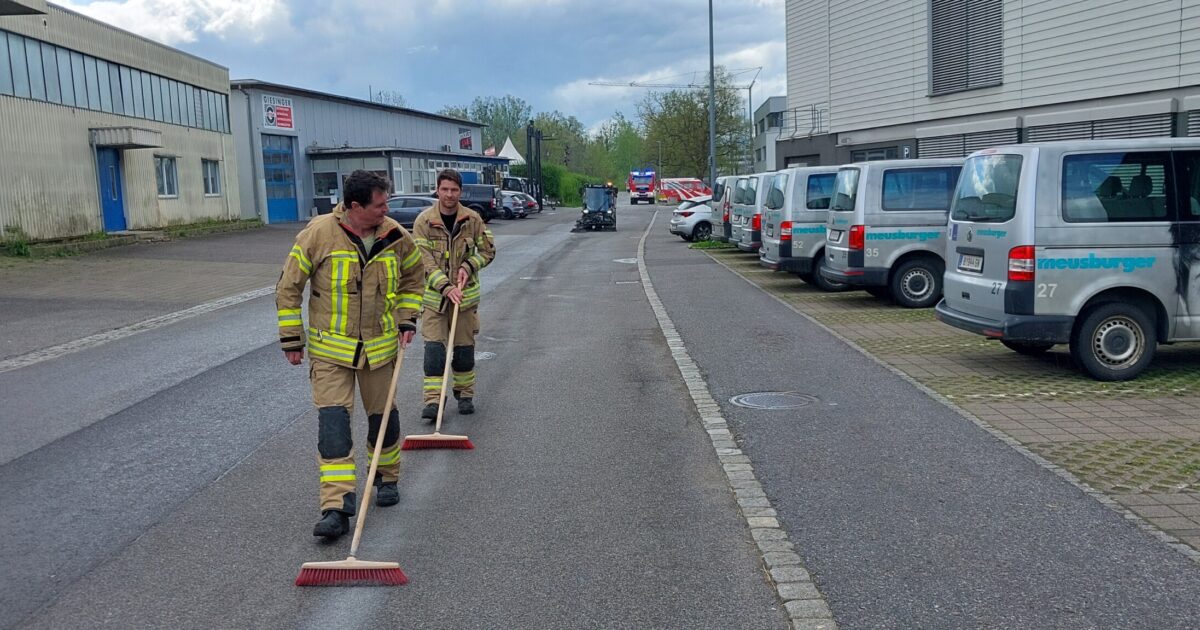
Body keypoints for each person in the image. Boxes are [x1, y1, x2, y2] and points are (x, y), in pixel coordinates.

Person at [276, 170, 424, 540]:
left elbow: (413, 277)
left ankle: (386, 478)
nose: (386, 209)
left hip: (379, 349)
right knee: (334, 429)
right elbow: (288, 288)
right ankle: (336, 507)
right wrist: (292, 339)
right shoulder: (318, 234)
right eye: (380, 204)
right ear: (355, 206)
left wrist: (407, 318)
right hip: (331, 353)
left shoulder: (394, 235)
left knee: (383, 420)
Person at [412, 169, 496, 420]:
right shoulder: (423, 222)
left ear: (460, 191)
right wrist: (445, 286)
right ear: (437, 190)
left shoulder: (473, 220)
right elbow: (423, 260)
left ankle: (465, 394)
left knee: (463, 351)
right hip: (435, 302)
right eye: (445, 189)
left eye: (454, 190)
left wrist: (469, 266)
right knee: (434, 352)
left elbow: (488, 251)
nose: (449, 195)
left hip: (465, 300)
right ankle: (433, 401)